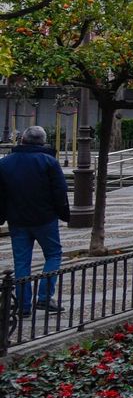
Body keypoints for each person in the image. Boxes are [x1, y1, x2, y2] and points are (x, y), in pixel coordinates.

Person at [0, 126, 70, 316]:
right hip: (45, 219)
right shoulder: (49, 162)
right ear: (43, 142)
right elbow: (60, 191)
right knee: (54, 255)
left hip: (17, 220)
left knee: (21, 263)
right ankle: (45, 298)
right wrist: (63, 213)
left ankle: (23, 306)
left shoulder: (5, 163)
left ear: (22, 140)